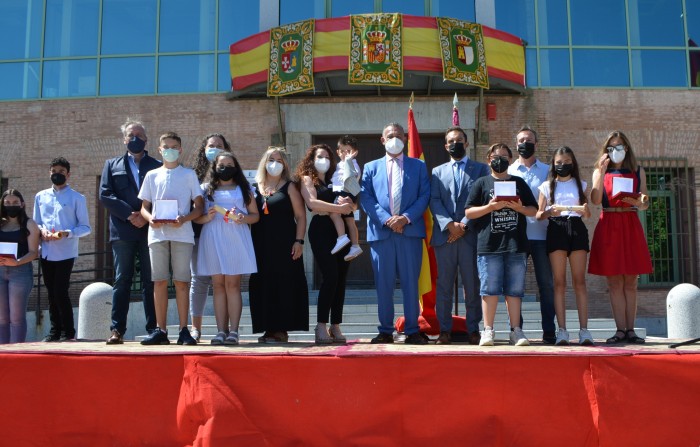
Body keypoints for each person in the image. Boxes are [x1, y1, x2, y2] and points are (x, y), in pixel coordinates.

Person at [360, 123, 430, 345]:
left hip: (409, 232)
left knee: (411, 284)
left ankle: (412, 330)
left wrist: (405, 218)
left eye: (399, 135)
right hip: (382, 234)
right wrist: (387, 219)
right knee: (384, 285)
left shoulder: (418, 166)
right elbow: (366, 198)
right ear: (382, 140)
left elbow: (424, 196)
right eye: (390, 135)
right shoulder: (370, 168)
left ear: (406, 138)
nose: (395, 138)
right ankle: (385, 330)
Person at [465, 143, 538, 347]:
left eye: (504, 156)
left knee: (514, 290)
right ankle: (488, 330)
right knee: (489, 289)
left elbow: (534, 210)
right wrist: (491, 207)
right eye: (496, 156)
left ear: (510, 159)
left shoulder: (518, 182)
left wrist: (519, 208)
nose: (500, 160)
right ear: (489, 159)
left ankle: (516, 330)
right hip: (489, 245)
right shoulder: (481, 183)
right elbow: (468, 212)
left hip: (515, 244)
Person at [100, 118, 161, 344]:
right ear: (124, 139)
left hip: (149, 230)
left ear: (146, 141)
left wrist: (144, 217)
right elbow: (106, 195)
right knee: (121, 280)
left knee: (151, 280)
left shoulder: (156, 165)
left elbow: (161, 196)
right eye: (131, 135)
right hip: (122, 231)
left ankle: (154, 328)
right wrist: (130, 215)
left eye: (140, 136)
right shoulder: (111, 164)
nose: (135, 139)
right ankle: (117, 330)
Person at [138, 132, 203, 345]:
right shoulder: (151, 175)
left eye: (174, 146)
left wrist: (184, 218)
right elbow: (144, 208)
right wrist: (151, 219)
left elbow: (199, 205)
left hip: (182, 233)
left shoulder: (189, 174)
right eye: (166, 146)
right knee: (159, 281)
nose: (170, 150)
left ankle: (184, 329)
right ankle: (161, 330)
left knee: (182, 281)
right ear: (159, 149)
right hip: (157, 234)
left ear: (181, 149)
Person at [588, 130, 651, 344]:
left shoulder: (637, 170)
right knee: (614, 281)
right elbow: (595, 200)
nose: (617, 150)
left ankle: (631, 330)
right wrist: (600, 172)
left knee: (631, 281)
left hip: (630, 224)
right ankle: (620, 330)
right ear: (606, 150)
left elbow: (644, 202)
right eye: (612, 147)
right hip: (609, 224)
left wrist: (638, 202)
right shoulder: (600, 171)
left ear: (627, 148)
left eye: (620, 146)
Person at [429, 126, 490, 345]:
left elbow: (484, 200)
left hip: (470, 236)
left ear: (466, 143)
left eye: (459, 140)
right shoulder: (437, 171)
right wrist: (449, 225)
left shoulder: (481, 169)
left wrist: (462, 225)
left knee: (472, 285)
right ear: (446, 146)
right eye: (451, 141)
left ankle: (473, 329)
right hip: (444, 238)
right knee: (444, 286)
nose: (455, 143)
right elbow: (434, 201)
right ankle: (444, 330)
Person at [195, 152, 258, 345]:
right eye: (222, 164)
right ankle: (220, 331)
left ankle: (234, 331)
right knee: (218, 285)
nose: (225, 168)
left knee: (232, 285)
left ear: (236, 167)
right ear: (215, 167)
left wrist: (242, 218)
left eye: (230, 164)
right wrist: (207, 216)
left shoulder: (244, 189)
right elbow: (197, 217)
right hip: (212, 237)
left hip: (235, 237)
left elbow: (255, 216)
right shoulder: (205, 189)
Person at [249, 146, 308, 343]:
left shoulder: (290, 186)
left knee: (284, 284)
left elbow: (300, 216)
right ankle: (267, 328)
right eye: (271, 159)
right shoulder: (254, 187)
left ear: (284, 165)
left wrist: (299, 241)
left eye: (279, 160)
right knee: (263, 284)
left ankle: (282, 329)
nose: (274, 164)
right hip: (260, 245)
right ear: (264, 163)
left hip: (285, 245)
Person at [536, 146, 594, 346]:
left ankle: (584, 331)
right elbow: (538, 214)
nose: (562, 165)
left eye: (566, 161)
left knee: (580, 281)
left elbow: (587, 215)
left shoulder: (581, 185)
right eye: (558, 162)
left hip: (577, 229)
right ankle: (562, 331)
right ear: (553, 164)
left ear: (573, 162)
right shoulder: (546, 186)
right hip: (556, 229)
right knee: (559, 282)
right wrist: (549, 213)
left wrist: (586, 210)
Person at [298, 144, 355, 344]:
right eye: (319, 156)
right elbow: (313, 204)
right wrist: (338, 208)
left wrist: (350, 203)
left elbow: (353, 203)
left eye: (327, 157)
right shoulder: (307, 179)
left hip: (342, 232)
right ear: (311, 159)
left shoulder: (336, 179)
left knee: (340, 279)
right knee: (330, 276)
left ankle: (335, 325)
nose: (324, 160)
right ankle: (321, 324)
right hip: (321, 230)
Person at [34, 157, 91, 341]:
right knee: (50, 292)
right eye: (54, 171)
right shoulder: (40, 196)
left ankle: (68, 332)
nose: (57, 174)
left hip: (66, 251)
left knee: (60, 291)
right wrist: (42, 231)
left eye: (61, 171)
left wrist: (67, 233)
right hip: (47, 251)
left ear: (68, 174)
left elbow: (85, 228)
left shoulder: (77, 198)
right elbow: (36, 222)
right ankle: (54, 331)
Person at [508, 126, 556, 344]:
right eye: (520, 140)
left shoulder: (547, 170)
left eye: (528, 140)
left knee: (546, 285)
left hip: (542, 236)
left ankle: (549, 331)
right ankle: (517, 331)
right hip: (516, 237)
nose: (524, 143)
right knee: (514, 286)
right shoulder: (509, 171)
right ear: (515, 144)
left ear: (536, 145)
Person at [188, 133, 232, 342]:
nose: (214, 148)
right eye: (211, 145)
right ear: (203, 149)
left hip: (225, 235)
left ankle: (222, 329)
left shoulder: (232, 174)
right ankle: (195, 329)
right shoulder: (193, 176)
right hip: (198, 234)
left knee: (222, 282)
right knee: (199, 280)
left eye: (219, 146)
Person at [0, 189, 39, 343]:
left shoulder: (30, 224)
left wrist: (16, 262)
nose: (11, 205)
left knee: (16, 318)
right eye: (7, 202)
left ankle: (17, 354)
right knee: (2, 318)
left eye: (15, 202)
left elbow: (34, 252)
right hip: (0, 272)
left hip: (20, 273)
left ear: (22, 204)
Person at [329, 135, 363, 261]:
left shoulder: (352, 164)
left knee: (334, 213)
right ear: (338, 152)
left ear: (355, 153)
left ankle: (342, 237)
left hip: (345, 192)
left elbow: (354, 176)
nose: (345, 154)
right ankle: (355, 246)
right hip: (347, 193)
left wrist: (349, 160)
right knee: (350, 221)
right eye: (342, 151)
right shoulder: (338, 165)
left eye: (348, 151)